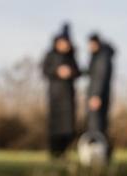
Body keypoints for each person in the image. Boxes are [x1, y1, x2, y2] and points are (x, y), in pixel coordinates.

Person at [41, 23, 80, 157]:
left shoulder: (71, 56)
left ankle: (64, 152)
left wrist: (71, 72)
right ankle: (54, 153)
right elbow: (45, 70)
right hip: (55, 95)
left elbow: (78, 72)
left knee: (68, 126)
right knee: (55, 125)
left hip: (69, 96)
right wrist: (58, 72)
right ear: (58, 42)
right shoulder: (50, 55)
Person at [84, 33, 115, 158]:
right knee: (98, 126)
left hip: (98, 97)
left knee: (98, 127)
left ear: (95, 43)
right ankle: (101, 156)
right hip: (98, 95)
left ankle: (101, 156)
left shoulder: (102, 57)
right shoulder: (98, 56)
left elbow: (100, 77)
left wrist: (96, 95)